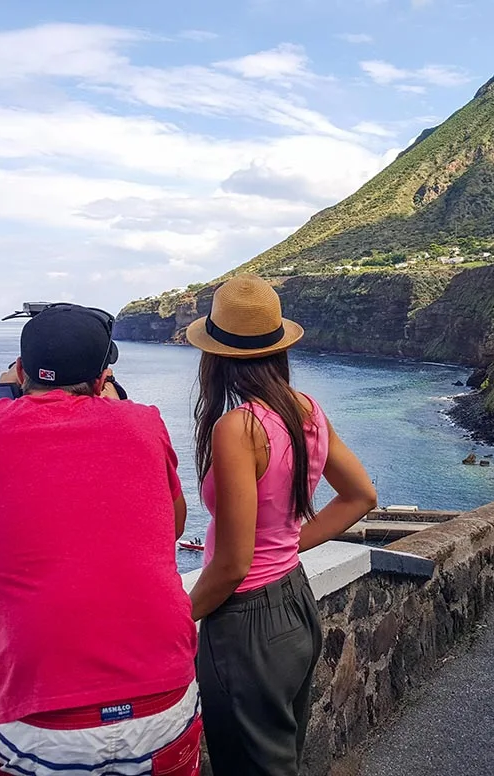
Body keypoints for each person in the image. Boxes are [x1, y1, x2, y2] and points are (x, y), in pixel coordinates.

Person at [0, 304, 201, 776]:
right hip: (163, 696)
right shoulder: (144, 422)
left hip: (47, 717)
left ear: (21, 370)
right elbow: (176, 525)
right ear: (104, 377)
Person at [186, 276, 377, 776]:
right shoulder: (307, 409)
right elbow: (360, 497)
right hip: (294, 600)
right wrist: (290, 544)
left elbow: (232, 564)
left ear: (216, 355)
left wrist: (178, 619)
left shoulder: (237, 428)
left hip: (245, 621)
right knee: (278, 759)